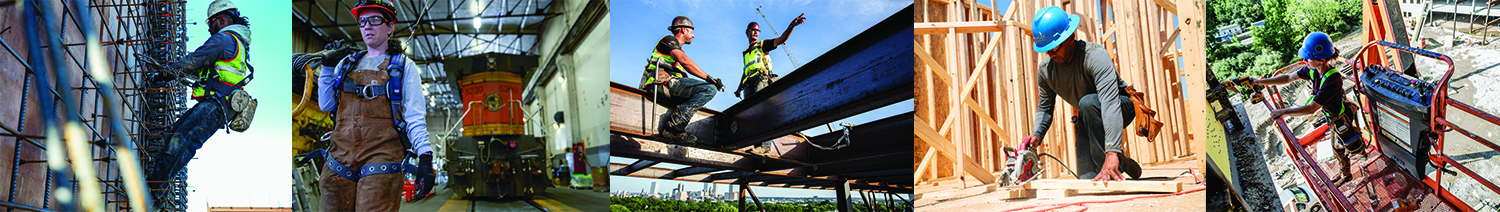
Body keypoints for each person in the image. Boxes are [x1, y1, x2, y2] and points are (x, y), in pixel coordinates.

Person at [315, 0, 434, 210]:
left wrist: (425, 156)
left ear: (389, 26)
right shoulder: (345, 64)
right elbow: (326, 105)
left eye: (375, 20)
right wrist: (327, 68)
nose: (367, 26)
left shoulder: (403, 67)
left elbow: (415, 117)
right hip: (338, 159)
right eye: (362, 21)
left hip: (382, 159)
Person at [1024, 6, 1142, 182]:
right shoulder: (1046, 71)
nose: (1051, 54)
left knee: (1087, 102)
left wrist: (1112, 150)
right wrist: (1036, 135)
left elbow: (1110, 104)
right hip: (1088, 116)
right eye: (1047, 50)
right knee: (1086, 179)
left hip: (1120, 106)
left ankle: (1113, 158)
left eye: (1055, 48)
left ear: (1071, 36)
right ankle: (1122, 163)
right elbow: (1045, 108)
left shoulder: (1095, 56)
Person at [148, 0, 254, 197]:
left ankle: (152, 192)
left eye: (210, 24)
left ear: (221, 20)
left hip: (217, 104)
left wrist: (164, 74)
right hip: (218, 104)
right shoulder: (237, 43)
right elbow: (202, 69)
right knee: (174, 137)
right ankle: (156, 190)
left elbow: (195, 60)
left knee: (181, 142)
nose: (209, 29)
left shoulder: (224, 39)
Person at [1249, 31, 1364, 183]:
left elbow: (1311, 108)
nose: (1305, 60)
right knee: (1338, 148)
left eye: (1308, 57)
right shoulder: (1313, 70)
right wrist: (1259, 82)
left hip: (1340, 118)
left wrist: (1283, 111)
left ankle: (1356, 161)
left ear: (1322, 59)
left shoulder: (1332, 79)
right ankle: (1346, 173)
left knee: (1346, 145)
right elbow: (1289, 77)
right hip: (1332, 116)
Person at [639, 16, 725, 144]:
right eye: (692, 31)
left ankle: (676, 126)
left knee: (698, 96)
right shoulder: (668, 40)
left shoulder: (675, 56)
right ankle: (674, 128)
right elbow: (685, 61)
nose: (693, 36)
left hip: (669, 85)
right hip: (661, 84)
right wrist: (710, 79)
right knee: (709, 89)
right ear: (684, 30)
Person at [734, 14, 806, 98]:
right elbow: (745, 72)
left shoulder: (762, 45)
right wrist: (739, 88)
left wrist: (791, 26)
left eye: (758, 31)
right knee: (749, 109)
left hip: (761, 80)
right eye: (753, 30)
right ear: (747, 33)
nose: (756, 32)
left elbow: (781, 39)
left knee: (761, 106)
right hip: (748, 85)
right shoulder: (746, 53)